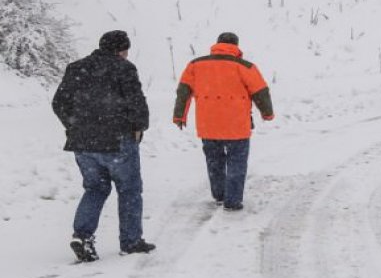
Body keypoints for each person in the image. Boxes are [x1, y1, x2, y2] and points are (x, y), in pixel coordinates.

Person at [52, 30, 155, 262]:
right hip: (117, 140)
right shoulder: (124, 68)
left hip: (83, 143)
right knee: (129, 190)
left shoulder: (76, 68)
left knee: (95, 188)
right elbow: (136, 101)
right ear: (121, 50)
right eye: (126, 50)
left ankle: (82, 235)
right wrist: (139, 127)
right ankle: (131, 241)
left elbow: (59, 102)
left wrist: (73, 126)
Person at [173, 32, 274, 211]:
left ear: (217, 44)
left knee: (214, 161)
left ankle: (219, 195)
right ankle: (233, 201)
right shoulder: (245, 66)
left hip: (208, 125)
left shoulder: (196, 65)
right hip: (237, 125)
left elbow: (184, 91)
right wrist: (267, 113)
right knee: (237, 162)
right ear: (236, 46)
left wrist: (179, 115)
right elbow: (261, 92)